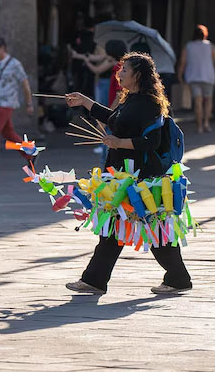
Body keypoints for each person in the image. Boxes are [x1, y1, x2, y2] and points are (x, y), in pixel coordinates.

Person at [63, 52, 193, 295]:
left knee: (153, 228)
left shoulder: (149, 104)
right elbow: (112, 119)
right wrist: (84, 101)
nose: (119, 73)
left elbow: (151, 142)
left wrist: (118, 143)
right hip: (122, 175)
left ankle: (177, 278)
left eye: (124, 70)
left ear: (138, 75)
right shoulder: (130, 99)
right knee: (114, 228)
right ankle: (95, 279)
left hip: (142, 178)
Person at [0, 37, 34, 171]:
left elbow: (25, 84)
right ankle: (29, 154)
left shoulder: (14, 64)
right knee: (8, 134)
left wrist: (29, 103)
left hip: (7, 102)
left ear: (2, 48)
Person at [176, 25, 215, 133]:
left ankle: (199, 126)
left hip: (193, 77)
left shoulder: (188, 46)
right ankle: (206, 123)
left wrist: (180, 75)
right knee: (208, 100)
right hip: (208, 77)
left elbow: (182, 62)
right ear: (205, 34)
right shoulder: (210, 46)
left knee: (198, 102)